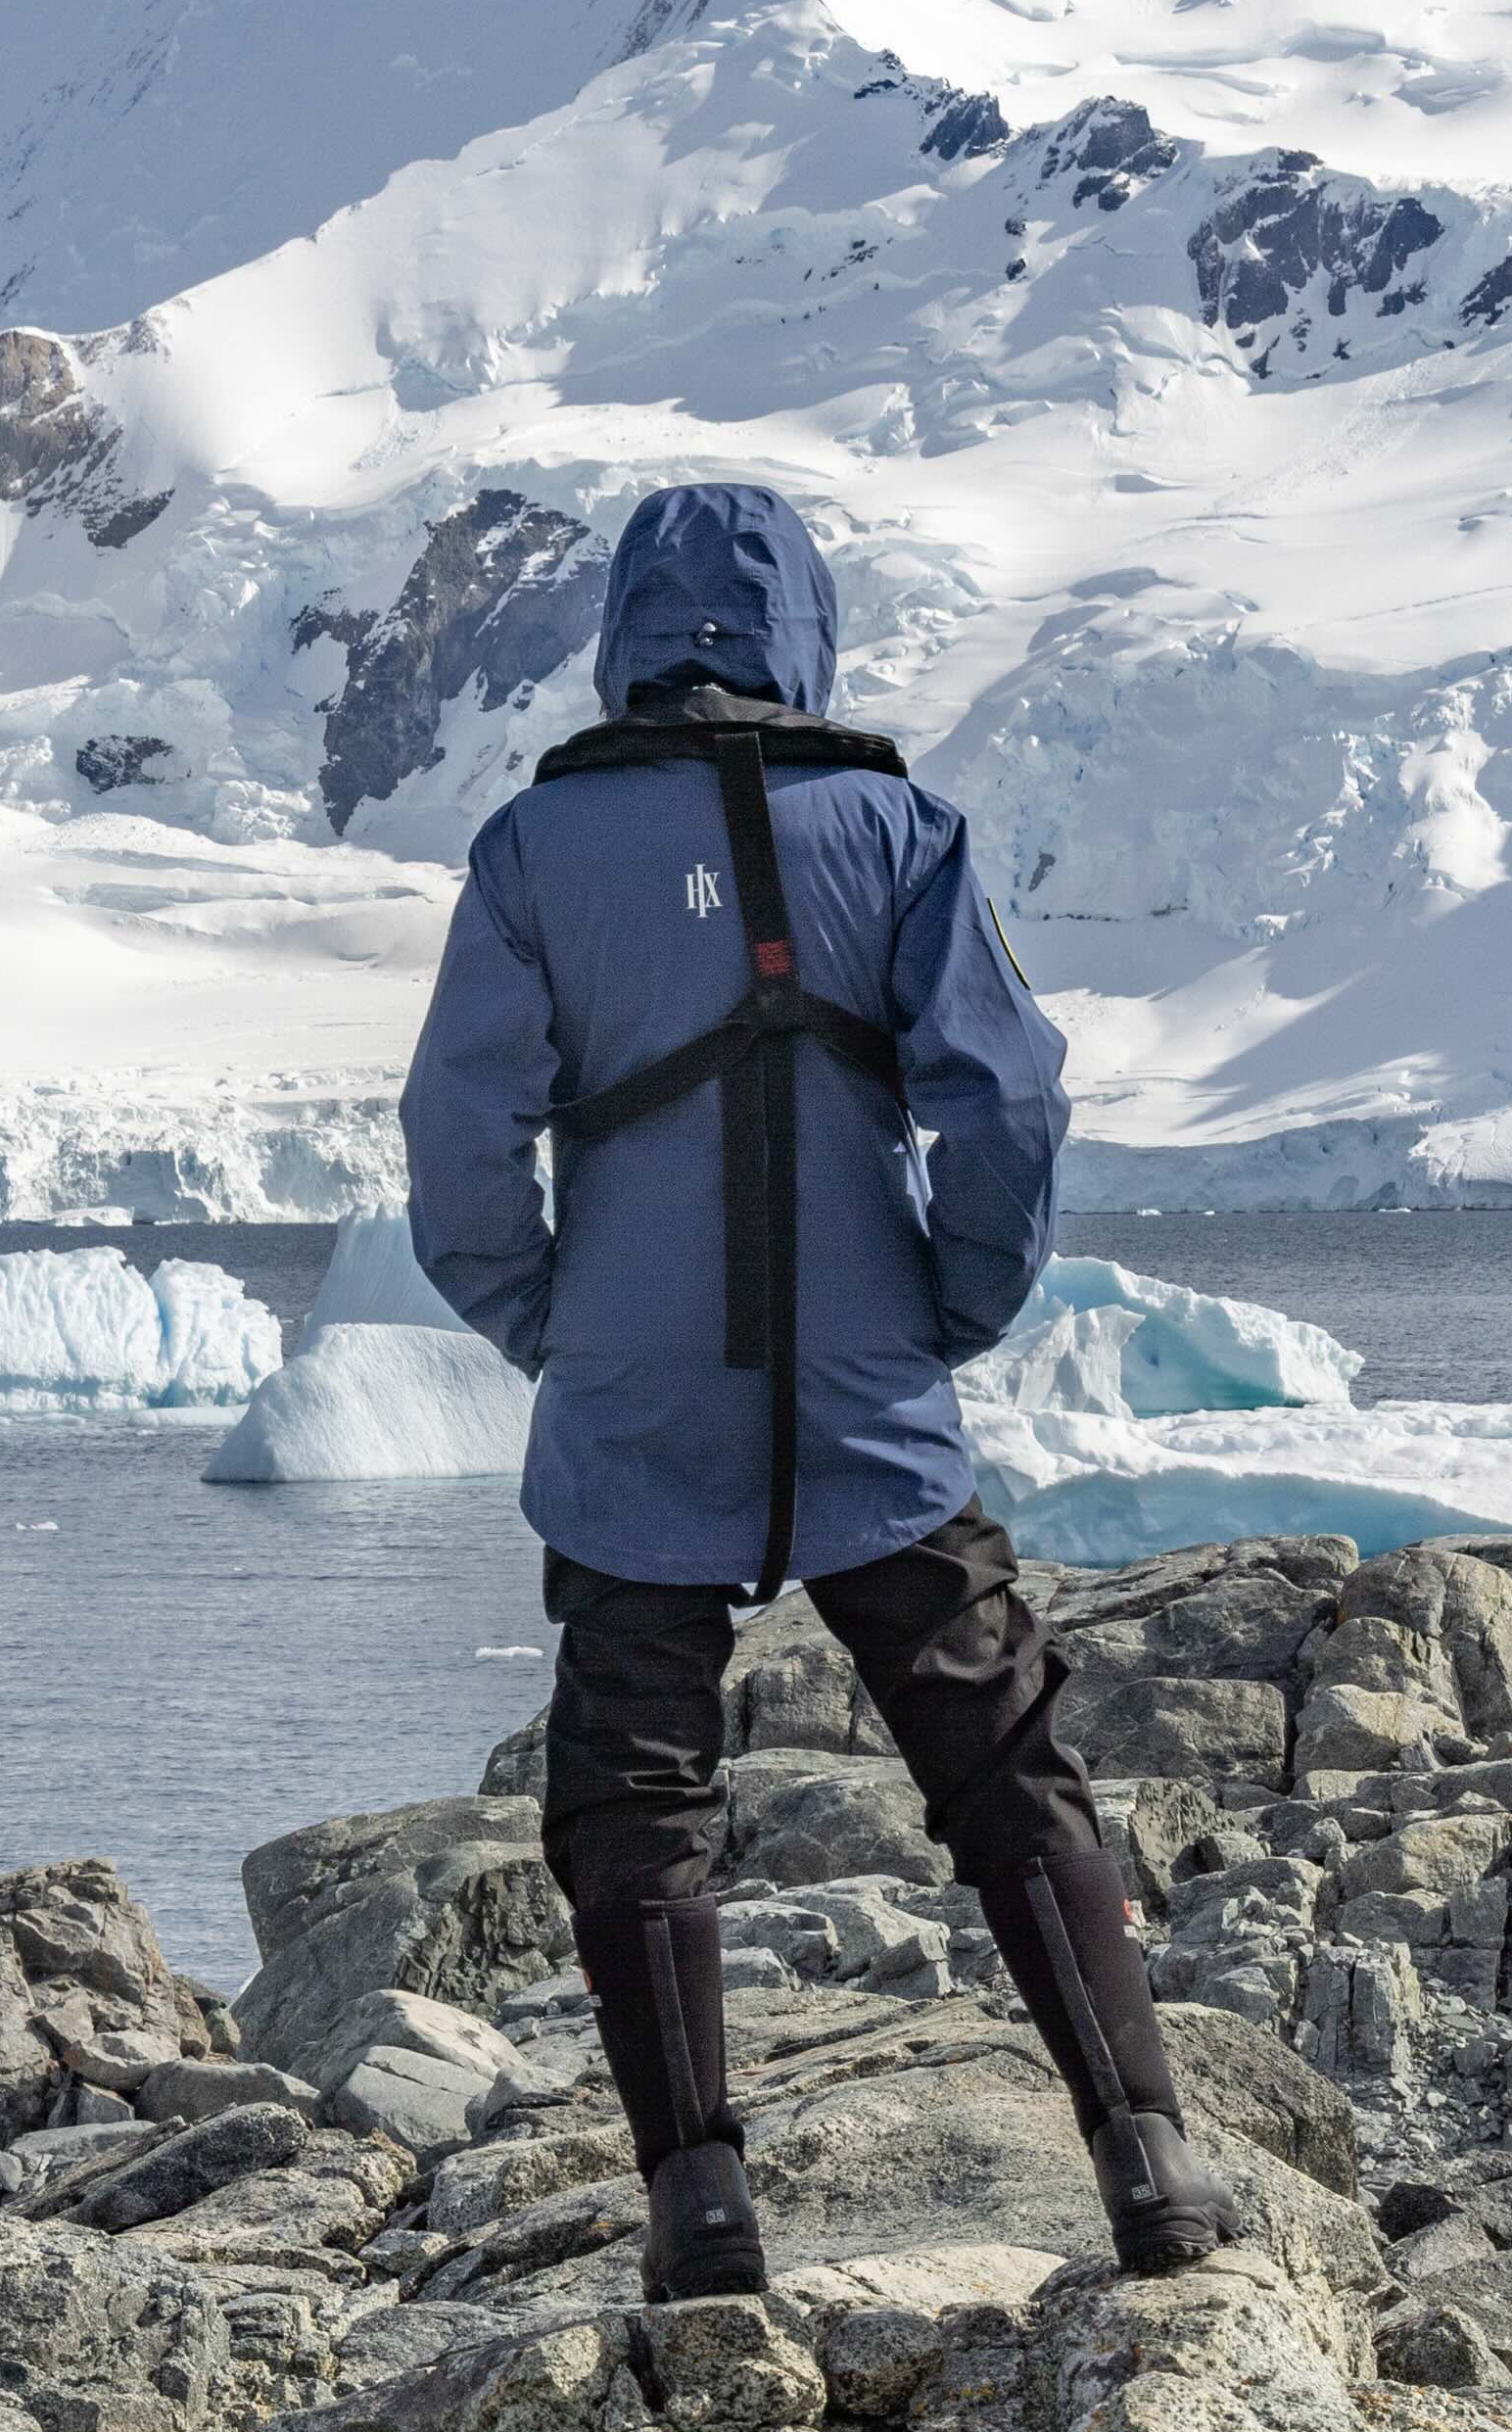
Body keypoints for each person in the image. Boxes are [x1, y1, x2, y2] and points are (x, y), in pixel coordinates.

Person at [396, 480, 1249, 2304]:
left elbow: (459, 1136)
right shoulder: (901, 826)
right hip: (873, 1404)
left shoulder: (535, 855)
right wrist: (951, 1305)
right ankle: (1151, 2170)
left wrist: (551, 1323)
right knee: (1009, 1758)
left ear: (625, 635)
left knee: (634, 1793)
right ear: (806, 629)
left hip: (636, 1403)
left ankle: (702, 2217)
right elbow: (1006, 1100)